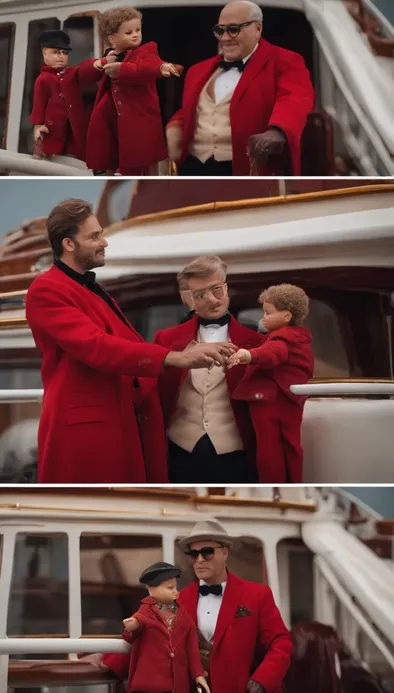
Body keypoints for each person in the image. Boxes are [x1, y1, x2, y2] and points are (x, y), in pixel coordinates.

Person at [25, 200, 235, 484]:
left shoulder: (89, 287)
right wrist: (174, 357)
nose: (104, 242)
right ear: (69, 244)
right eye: (94, 236)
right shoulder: (45, 289)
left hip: (115, 421)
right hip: (86, 432)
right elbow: (95, 346)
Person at [84, 518, 293, 693]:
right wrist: (105, 656)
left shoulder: (257, 595)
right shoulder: (177, 599)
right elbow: (146, 635)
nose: (199, 560)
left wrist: (263, 679)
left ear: (225, 552)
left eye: (207, 552)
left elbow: (281, 643)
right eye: (194, 554)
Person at [166, 0, 314, 176]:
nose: (225, 38)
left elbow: (294, 99)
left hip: (245, 169)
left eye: (234, 29)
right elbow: (194, 110)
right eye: (220, 30)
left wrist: (278, 131)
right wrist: (174, 128)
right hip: (193, 168)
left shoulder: (285, 61)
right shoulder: (197, 71)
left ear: (257, 29)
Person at [153, 256, 263, 483]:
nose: (211, 300)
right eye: (201, 295)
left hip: (235, 452)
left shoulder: (257, 342)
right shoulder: (167, 339)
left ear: (226, 288)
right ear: (189, 299)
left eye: (216, 290)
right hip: (179, 450)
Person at [228, 284, 314, 483]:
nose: (263, 317)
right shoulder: (299, 338)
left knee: (268, 449)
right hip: (290, 399)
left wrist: (249, 354)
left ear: (286, 316)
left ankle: (271, 480)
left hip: (270, 401)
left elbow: (273, 353)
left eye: (268, 312)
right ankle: (292, 480)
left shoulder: (281, 338)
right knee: (289, 446)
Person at [86, 7, 180, 176]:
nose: (135, 35)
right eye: (129, 32)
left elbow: (150, 66)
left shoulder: (147, 51)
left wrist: (161, 67)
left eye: (138, 30)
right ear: (113, 39)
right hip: (114, 118)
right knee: (112, 155)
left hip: (140, 117)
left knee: (145, 161)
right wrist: (102, 63)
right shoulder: (109, 56)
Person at [122, 562, 209, 693]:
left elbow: (192, 649)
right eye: (170, 588)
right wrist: (132, 626)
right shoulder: (146, 611)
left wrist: (198, 674)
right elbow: (137, 624)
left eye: (175, 587)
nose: (175, 591)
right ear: (152, 590)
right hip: (150, 683)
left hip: (178, 683)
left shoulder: (183, 614)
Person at [30, 30, 98, 161]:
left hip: (74, 128)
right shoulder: (43, 79)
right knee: (52, 157)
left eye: (64, 53)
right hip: (52, 129)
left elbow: (83, 72)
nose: (61, 56)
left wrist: (99, 63)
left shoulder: (71, 74)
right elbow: (39, 105)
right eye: (56, 52)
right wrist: (38, 126)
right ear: (45, 53)